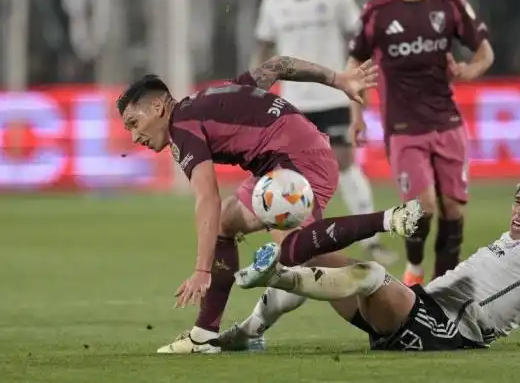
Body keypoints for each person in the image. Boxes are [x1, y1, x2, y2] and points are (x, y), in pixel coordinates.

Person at [116, 56, 423, 354]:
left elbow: (206, 196)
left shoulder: (182, 129)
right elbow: (277, 65)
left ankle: (389, 242)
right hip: (284, 159)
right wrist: (337, 79)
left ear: (158, 107)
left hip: (296, 161)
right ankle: (205, 335)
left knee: (296, 256)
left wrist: (201, 269)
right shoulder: (208, 100)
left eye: (134, 122)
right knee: (232, 223)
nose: (133, 135)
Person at [231, 172, 520, 352]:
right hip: (418, 310)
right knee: (313, 253)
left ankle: (274, 276)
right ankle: (251, 331)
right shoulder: (511, 240)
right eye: (518, 202)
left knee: (370, 273)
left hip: (446, 331)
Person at [346, 0, 495, 286]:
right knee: (423, 206)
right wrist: (357, 116)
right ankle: (414, 269)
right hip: (403, 128)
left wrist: (469, 70)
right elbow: (355, 66)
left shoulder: (450, 6)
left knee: (454, 208)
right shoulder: (378, 13)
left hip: (447, 122)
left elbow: (485, 52)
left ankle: (443, 284)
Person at [251, 0, 397, 265]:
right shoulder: (273, 2)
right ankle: (298, 240)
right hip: (292, 102)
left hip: (333, 95)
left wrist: (361, 83)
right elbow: (263, 46)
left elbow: (360, 43)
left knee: (345, 162)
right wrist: (254, 88)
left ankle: (372, 241)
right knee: (291, 172)